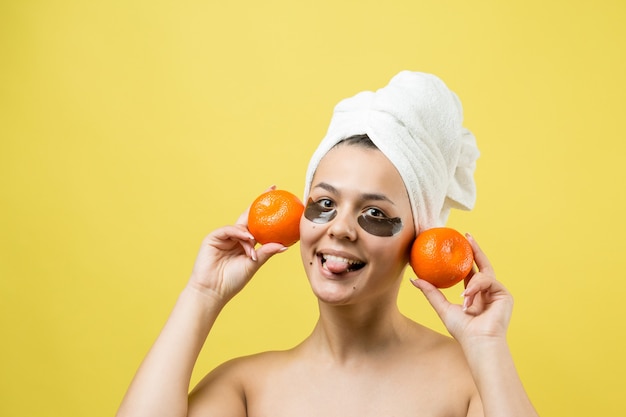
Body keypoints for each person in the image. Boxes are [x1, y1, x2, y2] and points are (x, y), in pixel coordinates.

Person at [116, 71, 539, 417]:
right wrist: (202, 294)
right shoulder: (246, 390)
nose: (339, 228)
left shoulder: (469, 382)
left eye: (375, 213)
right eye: (324, 203)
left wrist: (488, 350)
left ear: (421, 239)